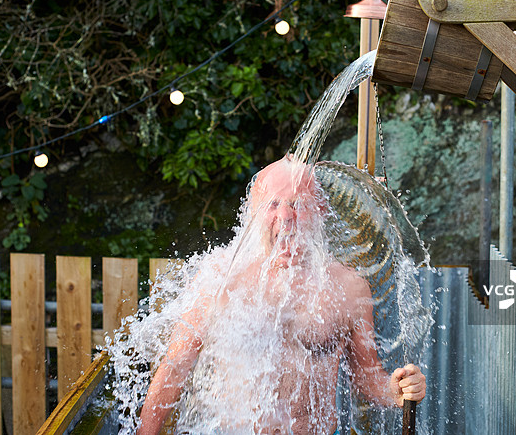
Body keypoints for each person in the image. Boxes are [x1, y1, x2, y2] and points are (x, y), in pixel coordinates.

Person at [139, 156, 426, 435]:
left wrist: (397, 390)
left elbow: (366, 375)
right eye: (273, 204)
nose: (286, 217)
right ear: (253, 212)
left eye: (298, 205)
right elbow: (175, 368)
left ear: (320, 211)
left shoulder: (348, 288)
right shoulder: (220, 278)